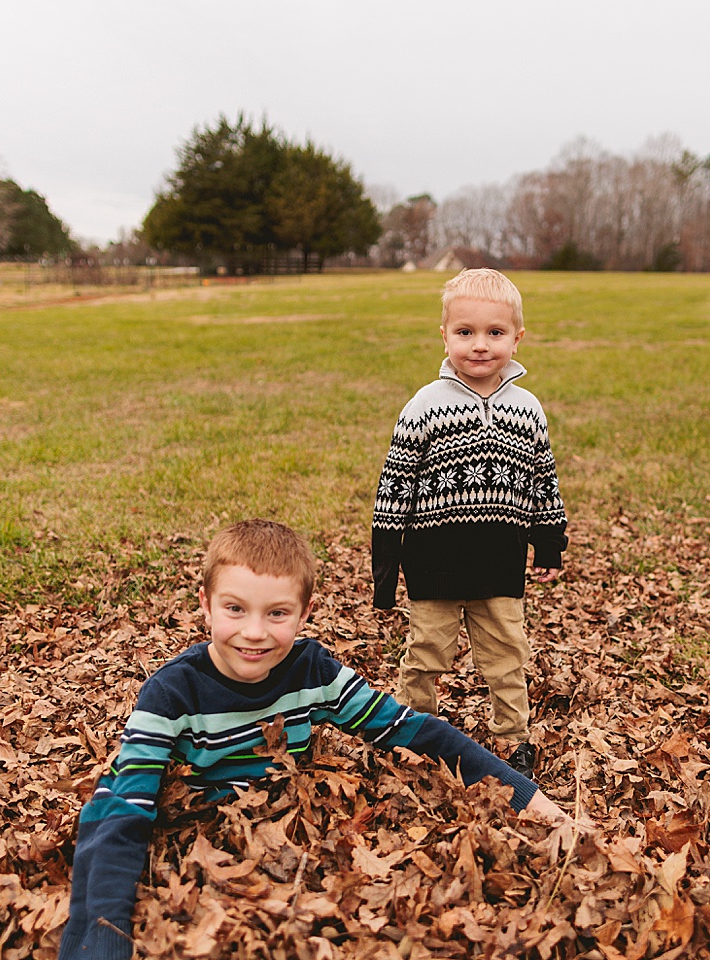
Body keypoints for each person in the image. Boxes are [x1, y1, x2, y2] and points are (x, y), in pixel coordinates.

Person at [60, 519, 568, 960]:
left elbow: (412, 730)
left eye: (277, 614)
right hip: (198, 861)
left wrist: (528, 798)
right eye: (235, 609)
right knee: (108, 809)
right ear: (206, 607)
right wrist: (101, 941)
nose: (254, 632)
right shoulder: (171, 694)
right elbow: (121, 815)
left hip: (294, 869)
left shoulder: (312, 672)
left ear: (304, 615)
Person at [372, 268, 568, 780]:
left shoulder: (527, 410)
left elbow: (542, 481)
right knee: (426, 653)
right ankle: (413, 732)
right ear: (444, 334)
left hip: (499, 564)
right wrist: (386, 565)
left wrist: (547, 546)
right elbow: (394, 485)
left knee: (506, 656)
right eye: (465, 332)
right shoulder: (425, 405)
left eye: (494, 333)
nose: (479, 346)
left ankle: (514, 739)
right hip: (434, 563)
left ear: (517, 337)